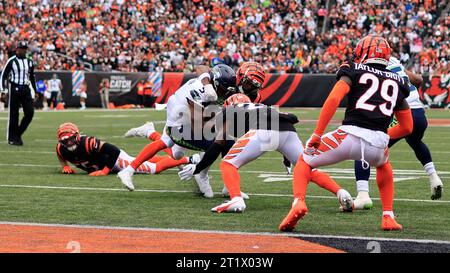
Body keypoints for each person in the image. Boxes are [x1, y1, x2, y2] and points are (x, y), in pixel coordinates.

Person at [279, 35, 413, 232]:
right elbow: (408, 127)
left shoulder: (353, 68)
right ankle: (388, 216)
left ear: (363, 52)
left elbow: (334, 99)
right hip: (377, 143)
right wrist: (381, 138)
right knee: (384, 165)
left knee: (304, 161)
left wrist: (317, 134)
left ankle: (298, 202)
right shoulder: (399, 81)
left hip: (348, 136)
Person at [178, 94, 354, 213]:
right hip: (288, 130)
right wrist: (287, 157)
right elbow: (288, 121)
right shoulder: (260, 106)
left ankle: (236, 199)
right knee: (308, 169)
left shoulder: (228, 111)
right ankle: (340, 193)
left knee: (228, 164)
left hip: (265, 131)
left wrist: (198, 168)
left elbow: (217, 146)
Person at [117, 64, 238, 197]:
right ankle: (200, 173)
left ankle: (130, 167)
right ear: (215, 83)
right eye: (223, 89)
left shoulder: (207, 84)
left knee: (174, 151)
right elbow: (199, 125)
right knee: (218, 143)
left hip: (180, 117)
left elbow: (202, 67)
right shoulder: (199, 91)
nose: (225, 93)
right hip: (179, 126)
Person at [353, 56, 444, 209]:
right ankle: (434, 177)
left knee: (365, 147)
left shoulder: (372, 65)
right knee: (414, 141)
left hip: (402, 114)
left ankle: (363, 195)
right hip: (419, 115)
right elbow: (418, 80)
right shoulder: (394, 61)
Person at [56, 122, 200, 179]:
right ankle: (149, 132)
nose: (68, 143)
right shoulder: (61, 149)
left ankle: (190, 159)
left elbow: (114, 151)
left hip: (117, 161)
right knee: (149, 159)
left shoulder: (88, 143)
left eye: (70, 139)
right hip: (112, 164)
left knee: (154, 168)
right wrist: (65, 166)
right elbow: (60, 154)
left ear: (77, 136)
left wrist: (105, 171)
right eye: (65, 141)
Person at [0, 41, 37, 146]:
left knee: (30, 113)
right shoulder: (11, 61)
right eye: (21, 48)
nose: (23, 50)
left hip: (26, 89)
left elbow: (32, 77)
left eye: (25, 48)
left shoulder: (29, 62)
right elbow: (3, 75)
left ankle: (18, 134)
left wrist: (35, 90)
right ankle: (12, 138)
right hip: (14, 87)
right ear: (17, 49)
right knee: (14, 114)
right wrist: (2, 91)